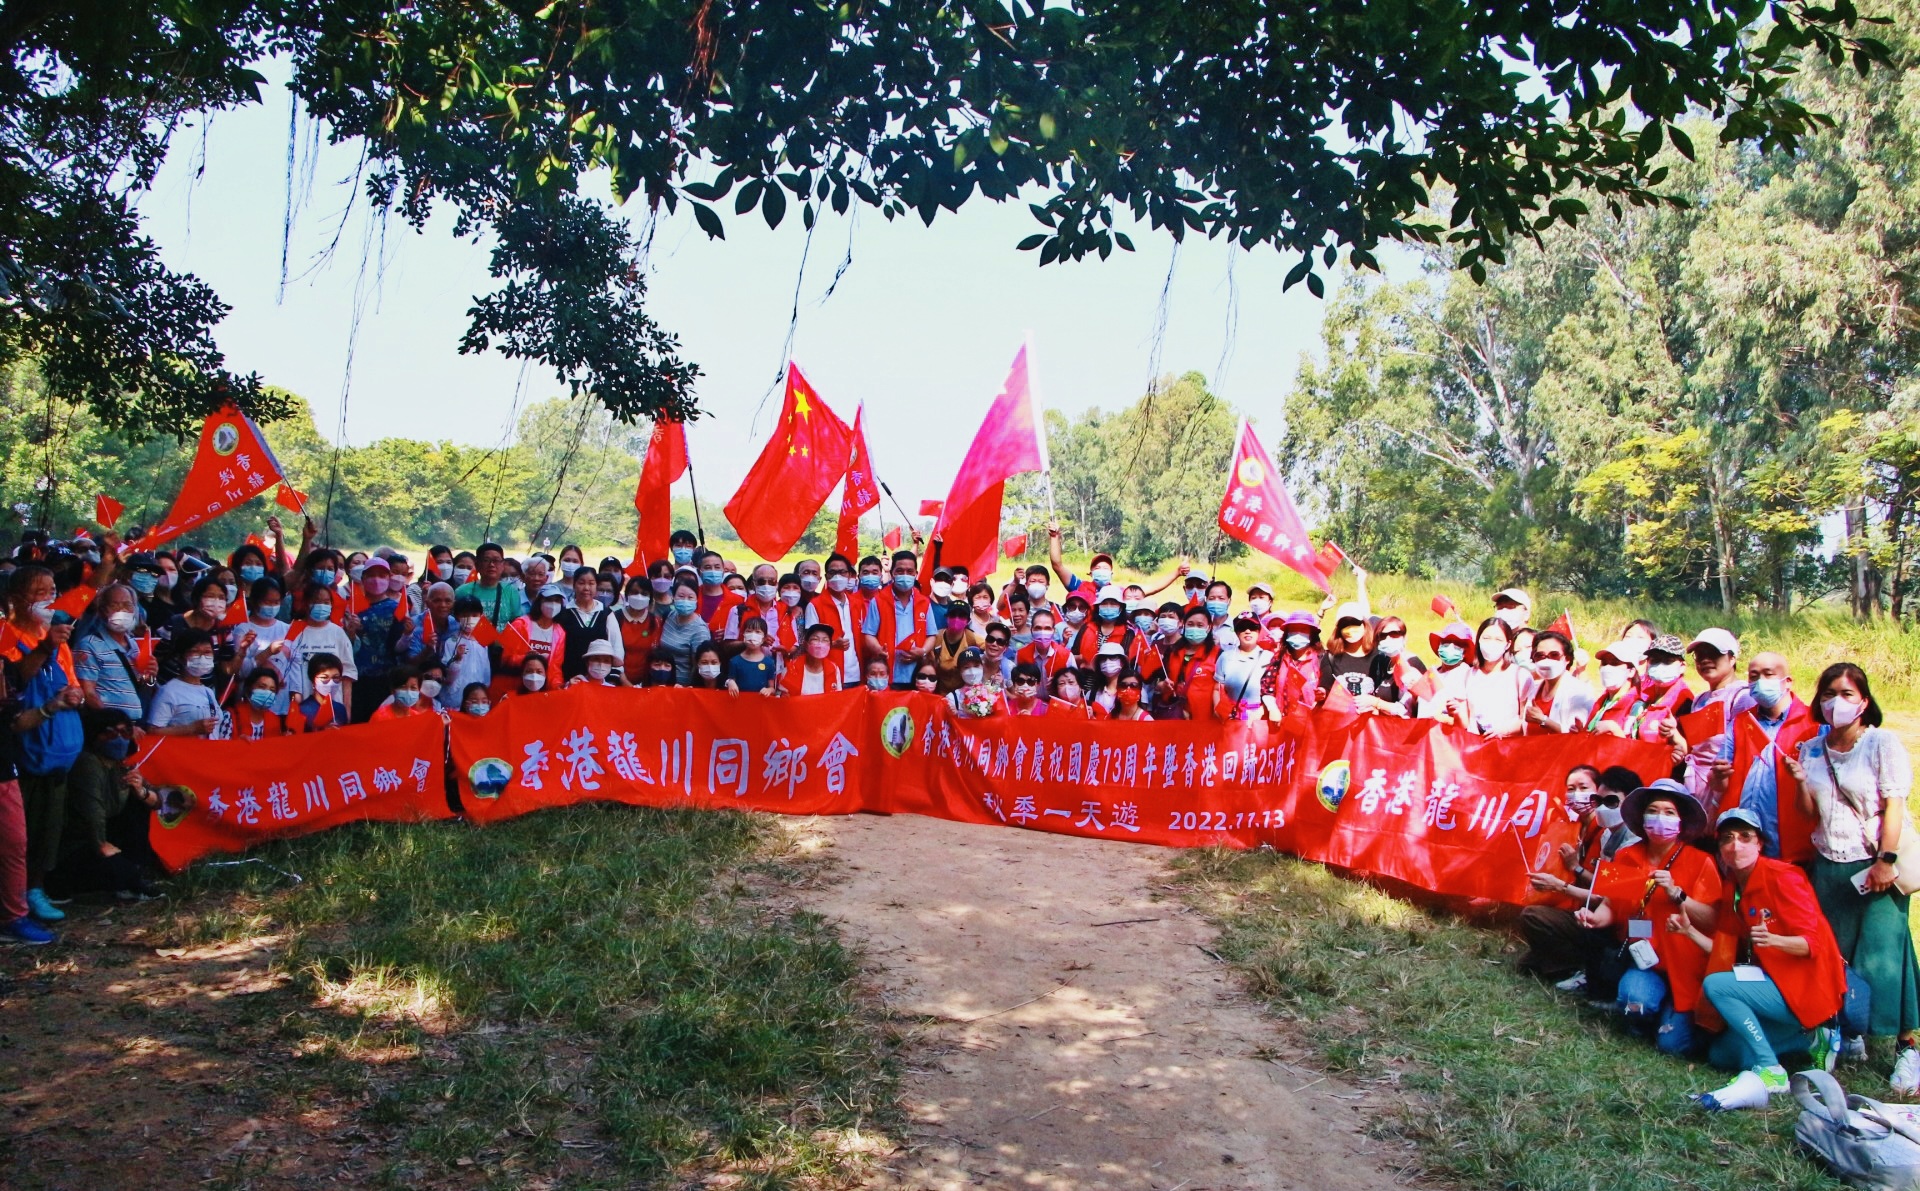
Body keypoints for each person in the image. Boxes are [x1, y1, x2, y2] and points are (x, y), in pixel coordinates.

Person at [1788, 662, 1920, 1092]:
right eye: (1829, 693)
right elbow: (1810, 815)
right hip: (1830, 862)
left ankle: (1907, 1047)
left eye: (1846, 694)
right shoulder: (1810, 748)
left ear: (1864, 701)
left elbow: (1894, 805)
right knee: (1838, 955)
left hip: (1875, 862)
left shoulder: (1881, 743)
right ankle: (1851, 1032)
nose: (1836, 702)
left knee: (1887, 957)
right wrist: (1799, 782)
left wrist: (1886, 859)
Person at [1688, 807, 1848, 1110]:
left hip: (1807, 988)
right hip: (1775, 985)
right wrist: (1680, 902)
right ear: (1720, 849)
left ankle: (1772, 1070)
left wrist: (1775, 941)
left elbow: (1813, 944)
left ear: (1760, 843)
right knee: (1721, 1056)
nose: (1736, 845)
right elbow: (1720, 926)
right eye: (1727, 839)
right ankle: (1810, 1039)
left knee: (1718, 985)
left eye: (1745, 837)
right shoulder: (1735, 884)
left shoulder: (1783, 877)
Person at [1577, 779, 1720, 1055]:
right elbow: (1610, 906)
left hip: (1688, 968)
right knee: (1633, 1003)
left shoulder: (1701, 861)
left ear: (1681, 821)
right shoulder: (1626, 856)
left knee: (1672, 1046)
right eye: (1653, 810)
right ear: (1642, 817)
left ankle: (1678, 1020)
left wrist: (1677, 894)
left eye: (1669, 812)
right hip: (1646, 962)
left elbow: (1713, 920)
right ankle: (1650, 1016)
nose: (1660, 818)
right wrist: (1593, 918)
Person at [1, 568, 84, 929]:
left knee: (50, 826)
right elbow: (16, 682)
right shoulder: (8, 636)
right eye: (39, 592)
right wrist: (45, 646)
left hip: (59, 750)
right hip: (25, 750)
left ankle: (36, 888)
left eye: (52, 590)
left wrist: (74, 695)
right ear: (17, 598)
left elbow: (72, 681)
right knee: (21, 834)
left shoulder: (60, 640)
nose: (49, 598)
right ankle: (17, 899)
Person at [1519, 765, 1633, 984]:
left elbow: (1609, 897)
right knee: (1526, 964)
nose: (1577, 794)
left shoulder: (1629, 841)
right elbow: (1604, 885)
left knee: (1533, 917)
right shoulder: (1606, 834)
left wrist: (1561, 885)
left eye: (1610, 802)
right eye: (1571, 788)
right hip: (1593, 909)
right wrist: (1574, 870)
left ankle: (1576, 969)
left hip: (1615, 922)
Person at [1715, 651, 1819, 862]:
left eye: (1768, 674)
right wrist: (1718, 775)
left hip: (1792, 842)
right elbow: (1720, 784)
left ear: (1787, 681)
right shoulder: (1741, 722)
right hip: (1742, 838)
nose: (1760, 681)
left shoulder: (1813, 725)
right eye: (1753, 676)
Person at [55, 710, 164, 901]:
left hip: (107, 836)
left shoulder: (120, 765)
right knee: (121, 872)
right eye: (112, 733)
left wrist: (142, 792)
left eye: (125, 733)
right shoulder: (87, 764)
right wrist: (100, 845)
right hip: (77, 843)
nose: (120, 739)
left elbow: (157, 802)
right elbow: (92, 811)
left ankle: (133, 872)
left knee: (137, 804)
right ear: (96, 735)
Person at [1673, 628, 1753, 805]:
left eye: (1713, 654)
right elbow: (1696, 749)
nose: (1705, 660)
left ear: (1732, 658)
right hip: (1695, 787)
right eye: (1699, 655)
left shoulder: (1742, 697)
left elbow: (1745, 753)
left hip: (1723, 790)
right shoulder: (1699, 700)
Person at [74, 583, 154, 720]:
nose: (121, 610)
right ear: (103, 610)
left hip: (133, 727)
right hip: (109, 728)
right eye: (114, 605)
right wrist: (116, 724)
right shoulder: (89, 645)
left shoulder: (135, 645)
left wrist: (150, 677)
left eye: (128, 605)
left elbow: (140, 687)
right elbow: (88, 694)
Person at [861, 550, 934, 689]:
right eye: (900, 571)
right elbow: (868, 634)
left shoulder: (924, 602)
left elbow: (931, 635)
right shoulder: (879, 600)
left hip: (917, 675)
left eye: (909, 571)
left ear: (915, 574)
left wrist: (923, 651)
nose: (905, 575)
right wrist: (878, 649)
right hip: (886, 674)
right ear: (892, 573)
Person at [281, 581, 357, 710]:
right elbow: (287, 669)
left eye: (326, 602)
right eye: (316, 601)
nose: (321, 606)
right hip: (303, 706)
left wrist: (347, 708)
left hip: (334, 706)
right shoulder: (294, 630)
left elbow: (348, 673)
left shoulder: (338, 632)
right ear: (305, 603)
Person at [146, 628, 223, 738]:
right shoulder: (169, 691)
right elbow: (152, 731)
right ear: (180, 657)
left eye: (207, 652)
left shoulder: (209, 692)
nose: (202, 657)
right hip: (182, 754)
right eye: (195, 652)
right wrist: (191, 729)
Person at [497, 584, 568, 698]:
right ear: (539, 601)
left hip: (540, 691)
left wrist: (558, 686)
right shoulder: (520, 625)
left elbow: (555, 668)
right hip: (514, 687)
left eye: (557, 601)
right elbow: (505, 659)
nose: (553, 604)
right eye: (548, 600)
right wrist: (525, 658)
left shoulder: (560, 633)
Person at [803, 554, 866, 681]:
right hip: (829, 673)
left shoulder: (857, 603)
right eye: (833, 572)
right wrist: (832, 644)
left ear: (849, 575)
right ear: (826, 577)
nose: (838, 576)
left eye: (842, 572)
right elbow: (809, 643)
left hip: (856, 674)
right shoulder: (815, 605)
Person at [1520, 629, 1594, 734]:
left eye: (1554, 655)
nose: (1546, 661)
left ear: (1567, 658)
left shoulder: (1579, 691)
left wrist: (1543, 720)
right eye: (1540, 656)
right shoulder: (1534, 689)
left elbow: (1577, 735)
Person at [556, 564, 620, 682]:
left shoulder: (606, 614)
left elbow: (616, 649)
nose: (586, 588)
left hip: (600, 681)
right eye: (581, 583)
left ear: (596, 586)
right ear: (574, 585)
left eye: (591, 583)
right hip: (570, 679)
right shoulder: (563, 615)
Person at [1165, 607, 1229, 720]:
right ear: (1184, 625)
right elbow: (1161, 682)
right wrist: (1163, 686)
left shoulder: (1218, 654)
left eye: (1200, 625)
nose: (1194, 628)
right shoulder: (1172, 651)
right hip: (1176, 715)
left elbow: (1223, 689)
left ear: (1209, 627)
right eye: (1190, 624)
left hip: (1205, 718)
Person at [1261, 612, 1325, 719]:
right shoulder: (1279, 658)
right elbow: (1267, 687)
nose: (1298, 634)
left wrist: (1322, 693)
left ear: (1311, 634)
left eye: (1303, 630)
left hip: (1311, 724)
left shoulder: (1321, 659)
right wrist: (1272, 708)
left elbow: (1329, 690)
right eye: (1293, 630)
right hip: (1281, 721)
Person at [1632, 634, 1694, 743]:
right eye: (1655, 660)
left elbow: (1687, 747)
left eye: (1667, 661)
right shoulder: (1643, 694)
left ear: (1682, 666)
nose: (1660, 665)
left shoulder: (1686, 703)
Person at [1583, 639, 1646, 735]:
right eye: (1604, 663)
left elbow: (1636, 748)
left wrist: (1614, 729)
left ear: (1631, 671)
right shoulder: (1602, 703)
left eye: (1615, 663)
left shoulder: (1636, 707)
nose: (1608, 667)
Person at [454, 542, 523, 628]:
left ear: (502, 565)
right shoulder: (463, 591)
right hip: (470, 640)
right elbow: (455, 622)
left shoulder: (510, 591)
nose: (492, 565)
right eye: (486, 560)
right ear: (477, 565)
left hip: (501, 641)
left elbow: (517, 623)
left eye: (496, 560)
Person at [657, 578, 712, 685]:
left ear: (697, 600)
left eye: (690, 597)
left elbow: (697, 666)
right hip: (663, 681)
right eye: (681, 596)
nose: (685, 600)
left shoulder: (700, 630)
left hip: (683, 685)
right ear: (673, 597)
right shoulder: (669, 616)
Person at [923, 600, 981, 692]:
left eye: (961, 616)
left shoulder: (972, 638)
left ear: (968, 621)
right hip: (939, 693)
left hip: (965, 695)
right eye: (953, 615)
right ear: (947, 618)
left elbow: (993, 648)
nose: (956, 618)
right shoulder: (936, 638)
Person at [286, 652, 350, 732]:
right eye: (324, 677)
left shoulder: (340, 709)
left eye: (335, 678)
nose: (330, 682)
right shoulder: (302, 710)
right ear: (313, 680)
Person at [1014, 609, 1072, 689]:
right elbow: (1015, 683)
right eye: (1038, 628)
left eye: (1047, 628)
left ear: (1053, 631)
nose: (1042, 632)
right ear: (1031, 630)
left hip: (1056, 700)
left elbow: (1074, 685)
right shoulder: (1020, 655)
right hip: (1030, 700)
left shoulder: (1066, 655)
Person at [779, 625, 840, 695]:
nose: (820, 644)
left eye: (825, 640)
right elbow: (784, 701)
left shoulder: (834, 669)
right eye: (815, 639)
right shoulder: (791, 669)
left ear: (830, 646)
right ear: (806, 644)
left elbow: (836, 699)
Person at [229, 667, 287, 740]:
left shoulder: (275, 721)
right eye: (262, 687)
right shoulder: (231, 716)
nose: (267, 693)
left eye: (272, 690)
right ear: (249, 688)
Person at [945, 646, 1001, 717]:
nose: (972, 671)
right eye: (966, 667)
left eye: (976, 666)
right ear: (960, 671)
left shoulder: (993, 692)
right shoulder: (952, 698)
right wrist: (955, 716)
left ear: (982, 666)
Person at [368, 666, 435, 720]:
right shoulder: (380, 717)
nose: (408, 692)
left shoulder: (417, 718)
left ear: (419, 690)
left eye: (413, 688)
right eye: (403, 687)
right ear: (393, 690)